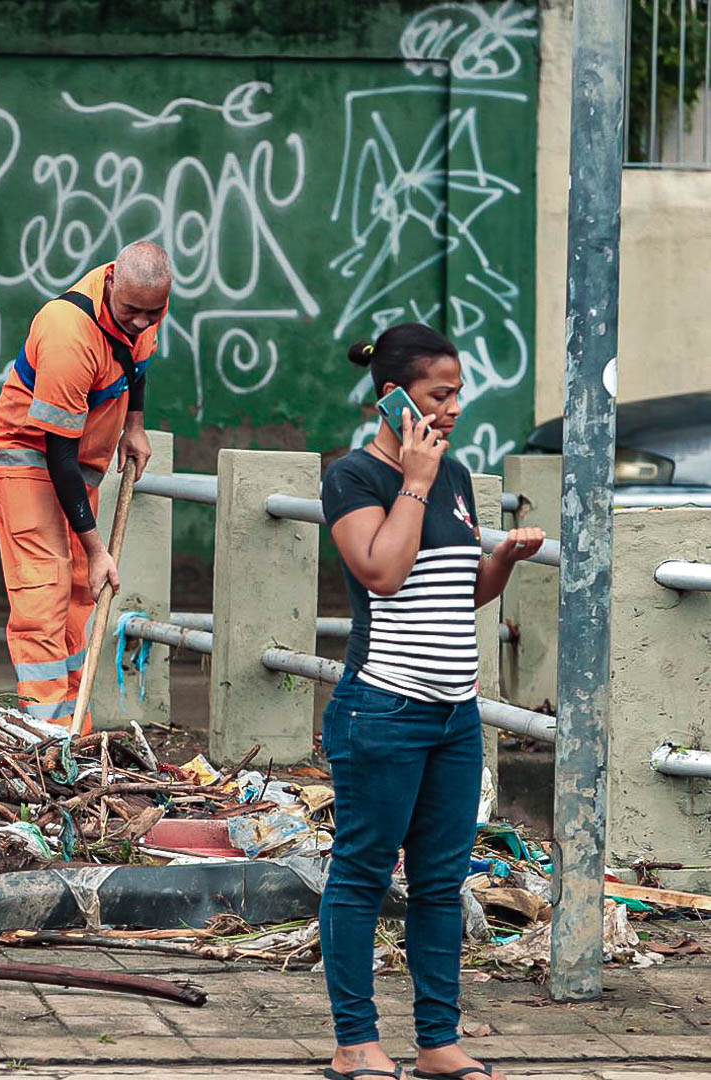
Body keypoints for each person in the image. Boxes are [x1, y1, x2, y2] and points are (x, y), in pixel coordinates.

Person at [319, 323, 544, 1080]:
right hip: (381, 708)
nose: (450, 410)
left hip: (455, 715)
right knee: (361, 872)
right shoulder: (354, 477)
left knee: (441, 883)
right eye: (435, 396)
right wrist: (412, 478)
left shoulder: (456, 477)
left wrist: (503, 560)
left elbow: (457, 593)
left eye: (456, 395)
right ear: (392, 399)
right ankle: (355, 1043)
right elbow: (381, 574)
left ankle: (437, 1042)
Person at [0, 242, 169, 731]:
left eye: (154, 313)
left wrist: (135, 425)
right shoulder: (69, 335)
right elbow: (56, 455)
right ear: (110, 283)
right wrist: (96, 546)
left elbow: (138, 364)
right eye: (132, 311)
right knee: (45, 590)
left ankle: (74, 727)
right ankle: (44, 733)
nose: (143, 323)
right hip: (30, 458)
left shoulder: (144, 309)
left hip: (81, 460)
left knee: (80, 598)